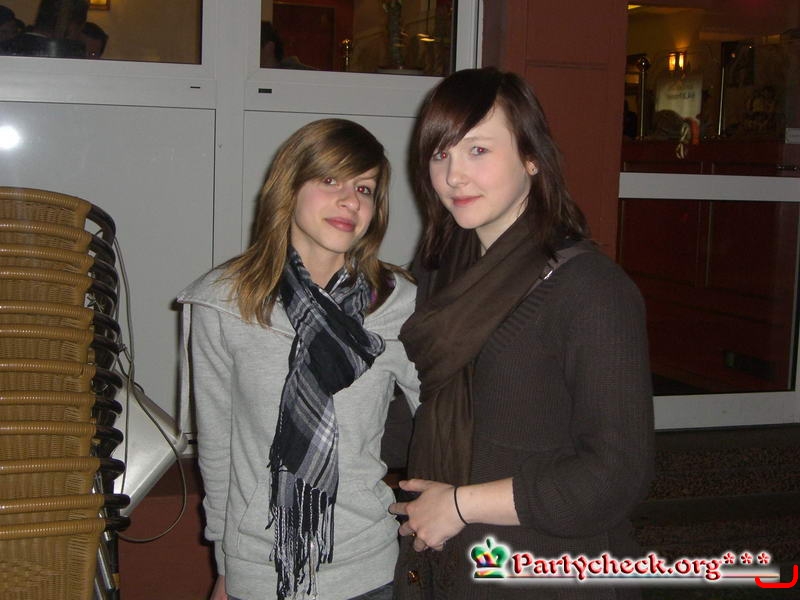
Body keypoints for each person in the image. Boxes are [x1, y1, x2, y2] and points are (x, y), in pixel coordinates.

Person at [389, 67, 654, 599]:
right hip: (444, 565)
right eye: (440, 154)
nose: (454, 176)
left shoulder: (590, 290)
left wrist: (460, 504)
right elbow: (415, 410)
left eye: (478, 150)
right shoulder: (440, 271)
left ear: (531, 156)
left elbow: (615, 475)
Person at [178, 119, 419, 600]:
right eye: (331, 180)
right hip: (259, 571)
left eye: (365, 189)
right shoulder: (222, 302)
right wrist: (226, 565)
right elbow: (218, 449)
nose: (351, 201)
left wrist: (444, 503)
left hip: (370, 567)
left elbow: (448, 418)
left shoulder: (399, 304)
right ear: (288, 187)